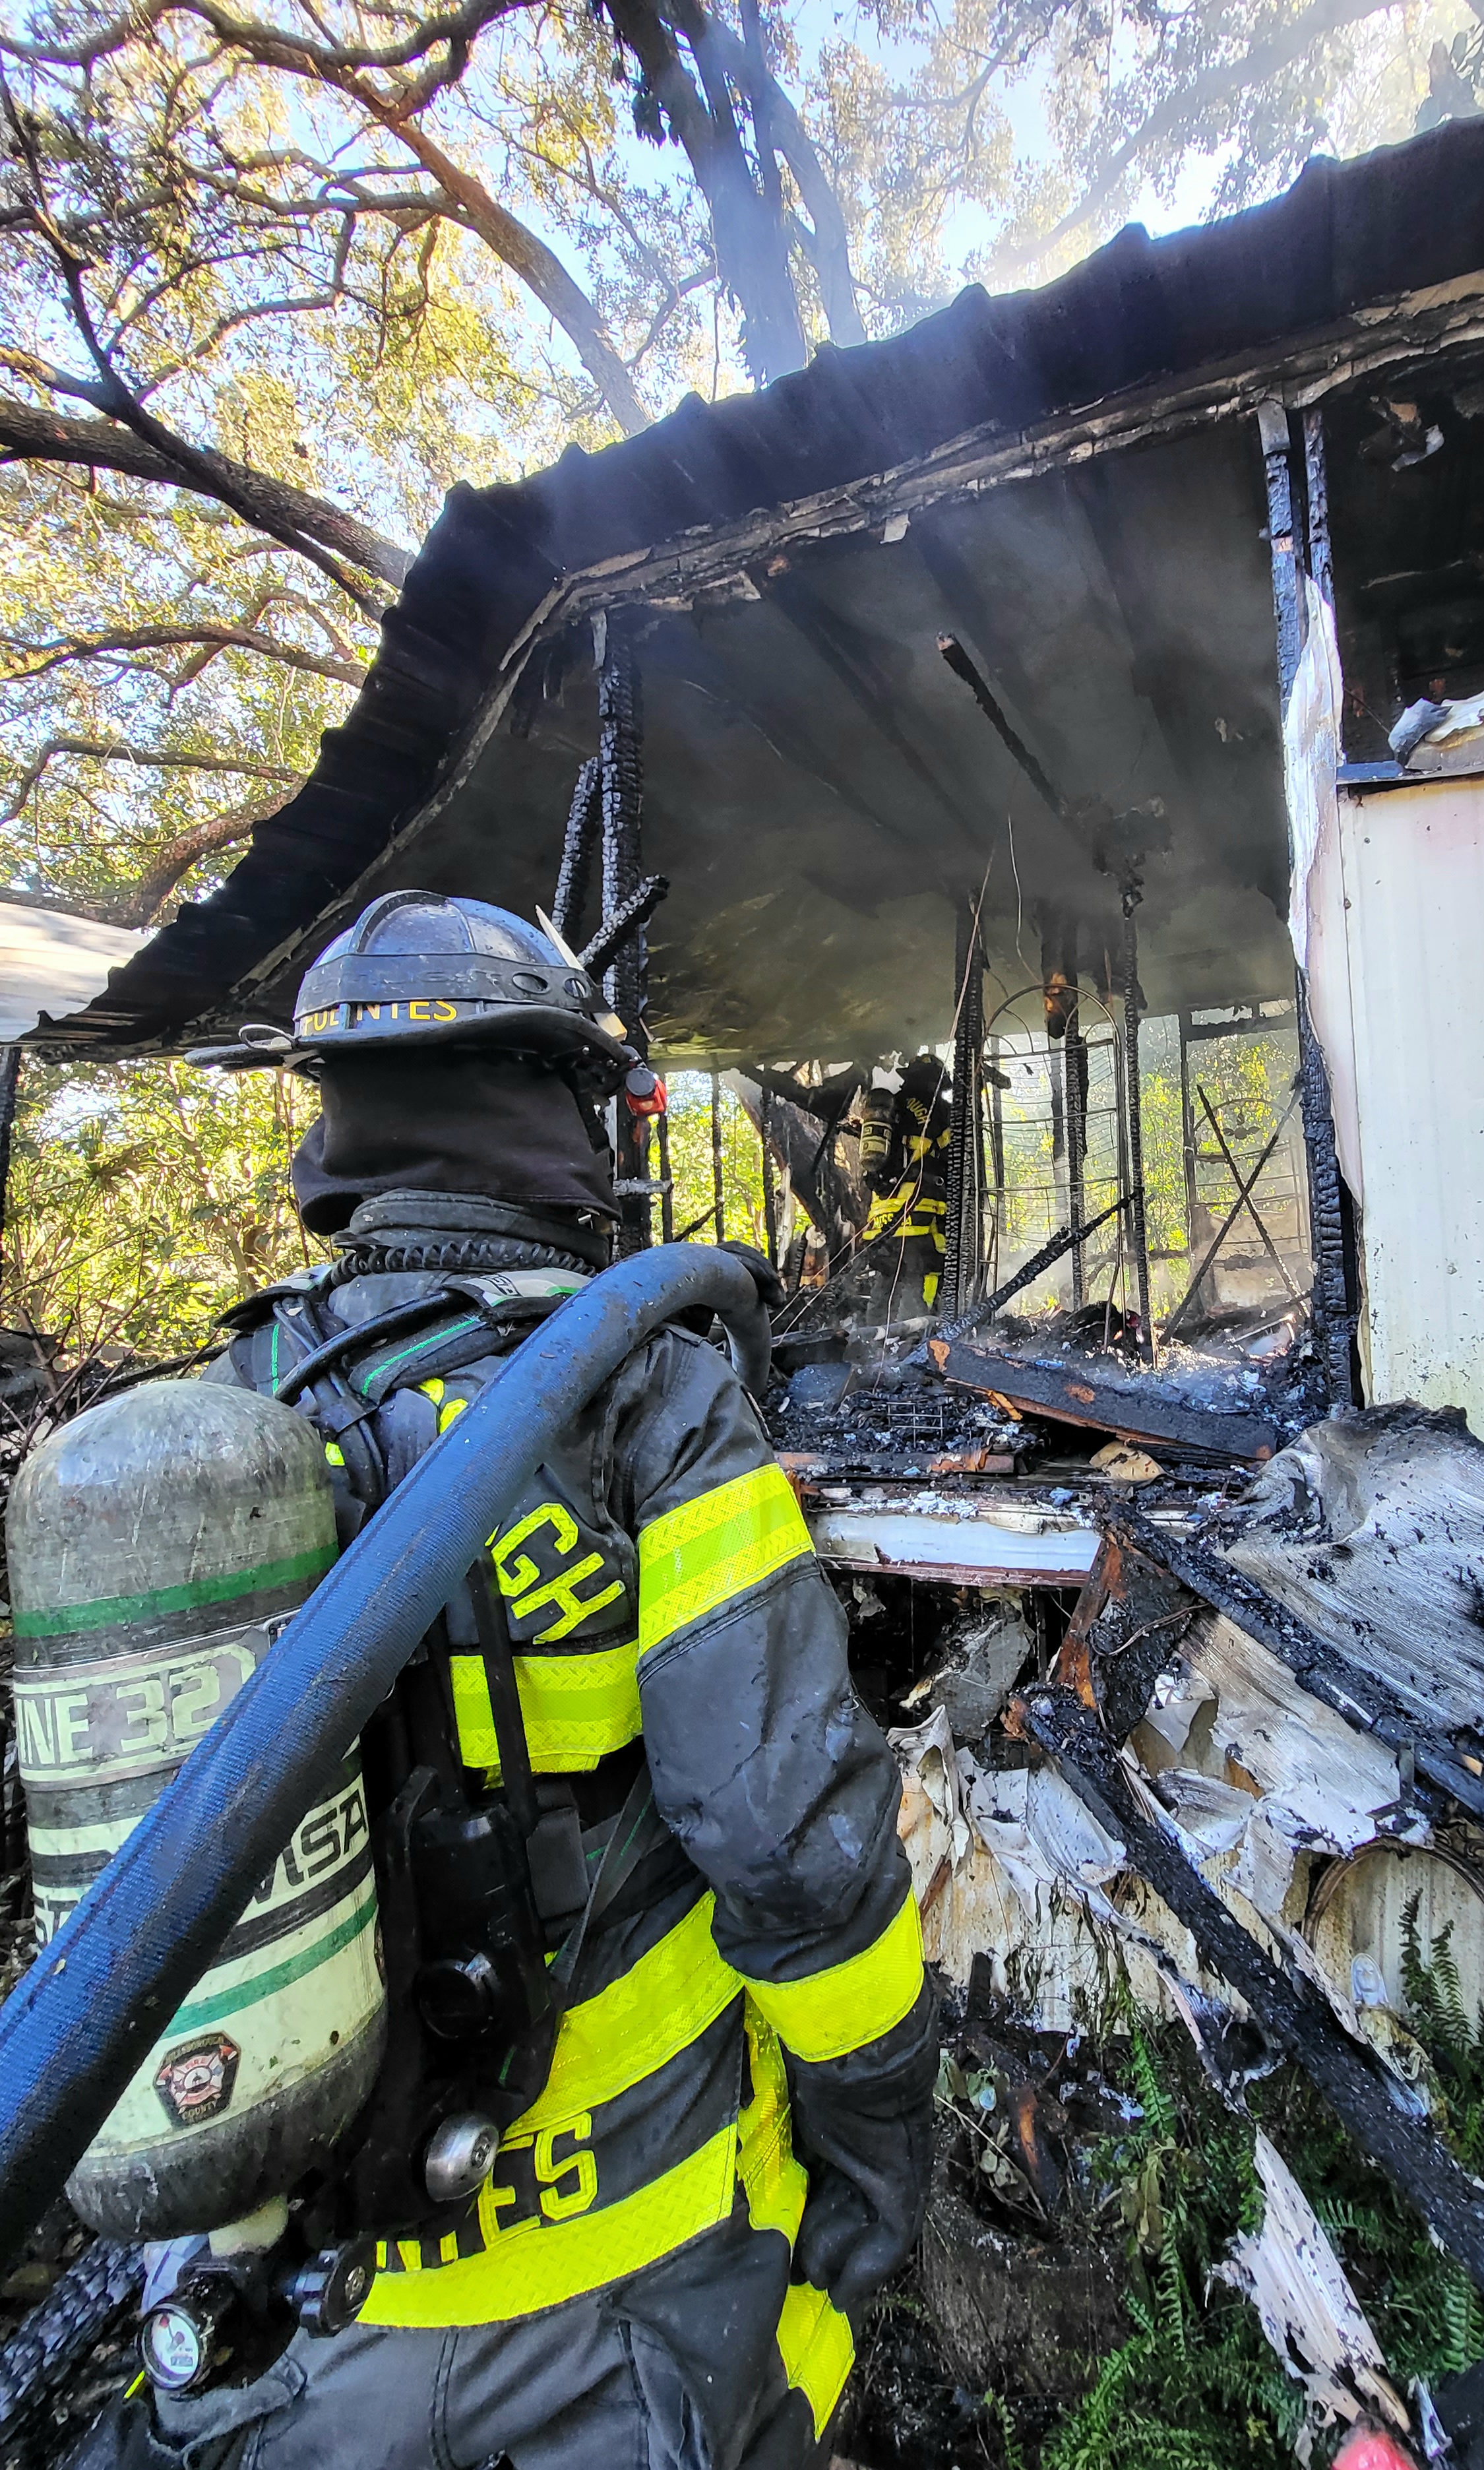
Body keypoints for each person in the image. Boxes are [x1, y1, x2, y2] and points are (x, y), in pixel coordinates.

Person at [86, 893, 936, 2470]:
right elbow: (788, 1839)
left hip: (289, 2322)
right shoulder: (650, 1394)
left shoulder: (218, 1420)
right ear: (556, 1102)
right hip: (628, 2299)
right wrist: (880, 2134)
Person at [859, 1058, 952, 1325]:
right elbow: (953, 1161)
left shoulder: (888, 1108)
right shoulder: (939, 1112)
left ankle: (871, 1345)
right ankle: (913, 1348)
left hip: (882, 1221)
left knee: (884, 1287)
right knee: (918, 1283)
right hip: (919, 1219)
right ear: (935, 1081)